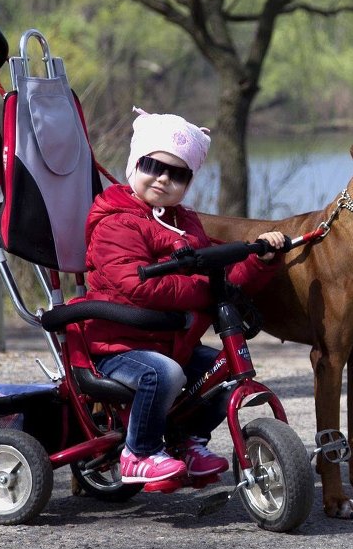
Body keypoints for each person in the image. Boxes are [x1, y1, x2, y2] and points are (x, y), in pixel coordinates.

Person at [81, 108, 285, 485]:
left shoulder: (185, 223)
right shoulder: (116, 222)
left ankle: (189, 441)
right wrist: (203, 290)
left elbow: (220, 279)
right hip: (117, 346)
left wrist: (262, 259)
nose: (162, 178)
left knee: (226, 373)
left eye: (177, 174)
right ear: (133, 164)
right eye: (152, 165)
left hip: (172, 342)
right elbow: (137, 286)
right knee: (164, 374)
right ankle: (138, 452)